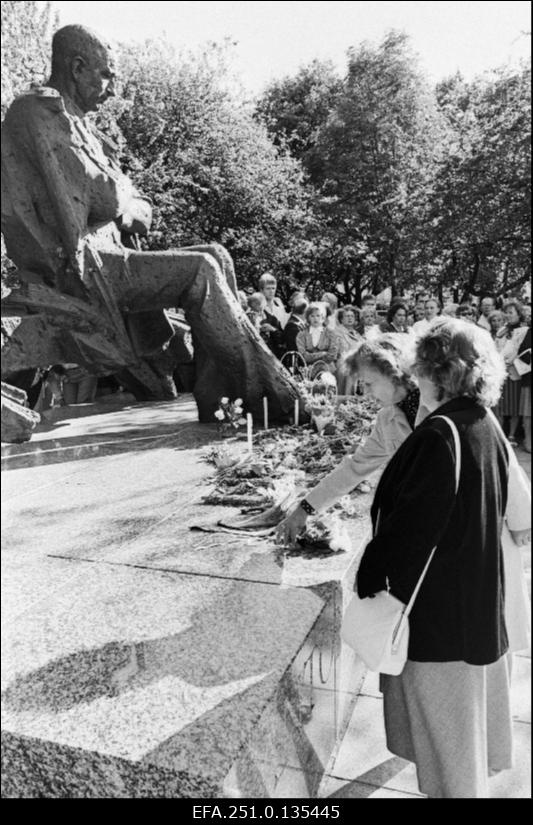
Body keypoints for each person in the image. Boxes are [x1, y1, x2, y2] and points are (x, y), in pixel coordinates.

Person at [1, 25, 297, 424]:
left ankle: (220, 397)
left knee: (216, 253)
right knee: (201, 271)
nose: (110, 89)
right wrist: (121, 197)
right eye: (106, 75)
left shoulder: (81, 124)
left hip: (110, 251)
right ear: (77, 67)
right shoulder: (40, 111)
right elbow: (106, 197)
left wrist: (122, 198)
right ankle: (271, 400)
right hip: (81, 268)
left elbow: (138, 208)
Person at [355, 318, 520, 798]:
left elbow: (411, 528)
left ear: (433, 369)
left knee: (451, 763)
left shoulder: (438, 433)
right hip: (476, 604)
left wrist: (370, 576)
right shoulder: (481, 421)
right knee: (461, 745)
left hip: (441, 617)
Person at [495, 300, 529, 444]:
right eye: (506, 312)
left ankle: (512, 435)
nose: (508, 315)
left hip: (516, 371)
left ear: (518, 314)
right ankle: (500, 435)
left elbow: (521, 350)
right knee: (500, 405)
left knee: (514, 405)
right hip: (501, 371)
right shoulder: (502, 330)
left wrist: (511, 361)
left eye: (511, 312)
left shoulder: (524, 330)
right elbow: (497, 347)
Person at [296, 304, 338, 374]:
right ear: (308, 318)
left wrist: (313, 357)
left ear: (323, 317)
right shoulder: (301, 335)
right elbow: (303, 356)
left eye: (318, 316)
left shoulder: (331, 333)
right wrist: (322, 354)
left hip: (329, 371)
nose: (315, 319)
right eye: (312, 316)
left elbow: (332, 355)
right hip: (309, 372)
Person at [246, 293, 285, 359]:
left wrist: (272, 329)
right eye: (254, 308)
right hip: (256, 353)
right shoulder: (247, 317)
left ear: (264, 304)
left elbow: (282, 338)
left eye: (260, 307)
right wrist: (255, 326)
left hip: (272, 354)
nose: (259, 312)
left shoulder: (271, 318)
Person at [335, 306, 363, 394]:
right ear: (341, 319)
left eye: (352, 316)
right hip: (344, 364)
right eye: (347, 316)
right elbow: (338, 352)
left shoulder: (357, 334)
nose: (350, 318)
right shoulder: (337, 332)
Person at [516, 326, 531, 453]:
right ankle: (528, 440)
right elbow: (522, 352)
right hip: (530, 377)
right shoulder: (529, 331)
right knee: (528, 412)